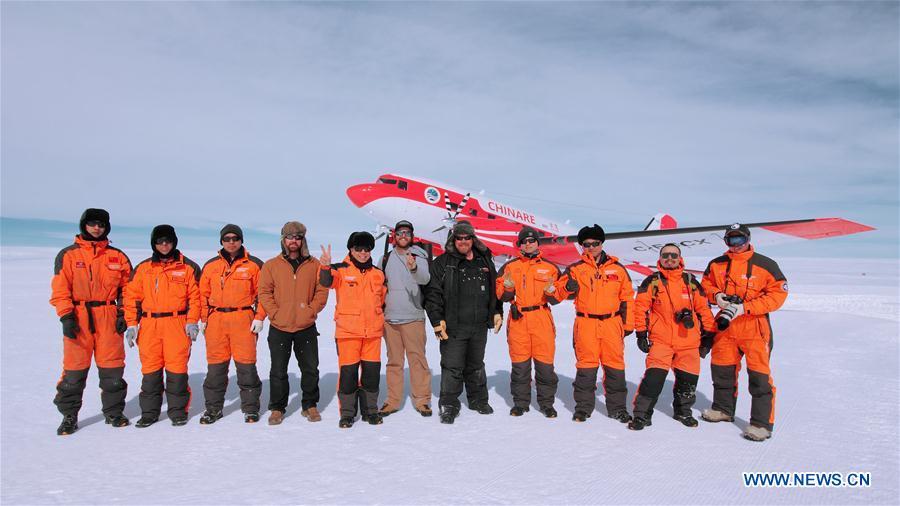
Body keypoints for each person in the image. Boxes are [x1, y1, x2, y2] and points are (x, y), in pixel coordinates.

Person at [700, 223, 788, 442]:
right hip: (726, 326)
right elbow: (705, 286)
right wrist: (717, 296)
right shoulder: (716, 264)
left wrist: (746, 307)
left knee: (759, 377)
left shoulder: (766, 265)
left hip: (754, 327)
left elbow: (778, 295)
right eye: (731, 240)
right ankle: (722, 409)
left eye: (739, 240)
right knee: (722, 371)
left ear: (748, 240)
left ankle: (761, 424)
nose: (735, 245)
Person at [50, 208, 133, 435]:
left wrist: (123, 312)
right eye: (92, 224)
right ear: (84, 225)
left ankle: (114, 412)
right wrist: (66, 316)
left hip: (107, 316)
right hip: (79, 316)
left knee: (113, 369)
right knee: (74, 371)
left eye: (101, 224)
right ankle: (69, 415)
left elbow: (129, 289)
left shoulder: (117, 256)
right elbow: (60, 289)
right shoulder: (68, 255)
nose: (97, 228)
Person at [629, 243, 716, 430]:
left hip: (689, 343)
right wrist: (641, 334)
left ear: (680, 258)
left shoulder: (691, 281)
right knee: (653, 380)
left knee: (688, 382)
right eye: (665, 255)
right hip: (661, 341)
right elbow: (640, 308)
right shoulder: (652, 281)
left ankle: (683, 412)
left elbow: (704, 310)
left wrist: (708, 336)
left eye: (674, 255)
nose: (670, 259)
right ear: (659, 258)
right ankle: (642, 415)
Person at [425, 221, 503, 424]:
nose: (463, 241)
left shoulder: (485, 260)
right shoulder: (443, 262)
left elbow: (495, 289)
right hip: (453, 326)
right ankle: (449, 404)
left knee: (476, 365)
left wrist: (496, 311)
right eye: (459, 238)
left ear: (473, 239)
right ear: (453, 239)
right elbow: (433, 293)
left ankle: (478, 400)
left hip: (479, 326)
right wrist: (436, 320)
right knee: (452, 366)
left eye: (467, 237)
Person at [123, 225, 201, 428]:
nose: (164, 245)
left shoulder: (188, 267)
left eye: (167, 241)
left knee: (176, 370)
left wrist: (192, 321)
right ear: (154, 244)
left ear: (174, 242)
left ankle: (177, 412)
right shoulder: (143, 268)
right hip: (149, 325)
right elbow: (131, 298)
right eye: (159, 241)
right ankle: (149, 413)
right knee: (151, 371)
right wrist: (132, 324)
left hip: (177, 324)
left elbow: (196, 297)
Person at [556, 224, 635, 423]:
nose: (591, 247)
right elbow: (556, 294)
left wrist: (628, 325)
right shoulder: (575, 269)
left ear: (602, 244)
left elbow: (627, 298)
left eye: (595, 243)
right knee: (586, 367)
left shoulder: (618, 269)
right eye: (586, 244)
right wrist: (566, 286)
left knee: (615, 367)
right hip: (586, 324)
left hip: (612, 323)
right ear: (582, 246)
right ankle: (583, 408)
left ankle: (617, 408)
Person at [257, 221, 329, 425]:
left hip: (305, 326)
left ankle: (310, 405)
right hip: (280, 327)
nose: (293, 241)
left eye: (297, 237)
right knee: (278, 370)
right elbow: (264, 292)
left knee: (310, 369)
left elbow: (322, 290)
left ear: (302, 240)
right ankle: (277, 408)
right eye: (290, 237)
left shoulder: (314, 264)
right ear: (283, 240)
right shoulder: (271, 265)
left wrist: (311, 310)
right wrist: (275, 313)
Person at [197, 224, 266, 424]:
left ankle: (251, 409)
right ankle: (213, 409)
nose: (231, 242)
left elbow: (263, 295)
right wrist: (203, 319)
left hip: (243, 319)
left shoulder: (254, 265)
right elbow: (203, 295)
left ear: (241, 240)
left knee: (246, 367)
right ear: (221, 241)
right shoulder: (210, 266)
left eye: (235, 238)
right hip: (216, 320)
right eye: (226, 238)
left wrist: (259, 317)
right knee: (216, 369)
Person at [319, 232, 386, 428]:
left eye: (367, 249)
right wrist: (324, 265)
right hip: (348, 333)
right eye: (359, 249)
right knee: (348, 375)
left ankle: (370, 411)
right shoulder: (340, 270)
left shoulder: (377, 274)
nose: (363, 253)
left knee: (371, 375)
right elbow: (326, 281)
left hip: (373, 333)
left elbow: (381, 300)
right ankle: (347, 414)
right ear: (351, 250)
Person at [496, 226, 562, 418]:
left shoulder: (550, 267)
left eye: (531, 241)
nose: (528, 244)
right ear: (520, 245)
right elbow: (500, 294)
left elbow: (558, 297)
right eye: (524, 241)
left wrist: (552, 292)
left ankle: (547, 403)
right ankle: (521, 403)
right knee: (520, 365)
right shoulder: (510, 267)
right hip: (519, 320)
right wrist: (507, 289)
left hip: (541, 318)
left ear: (537, 243)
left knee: (545, 365)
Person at [378, 220, 433, 417]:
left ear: (412, 236)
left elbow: (425, 279)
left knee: (417, 360)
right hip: (390, 318)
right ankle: (392, 401)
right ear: (394, 236)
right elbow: (378, 285)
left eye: (407, 233)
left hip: (413, 317)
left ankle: (422, 400)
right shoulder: (385, 258)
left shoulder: (419, 255)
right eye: (400, 233)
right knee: (394, 362)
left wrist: (414, 267)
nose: (403, 236)